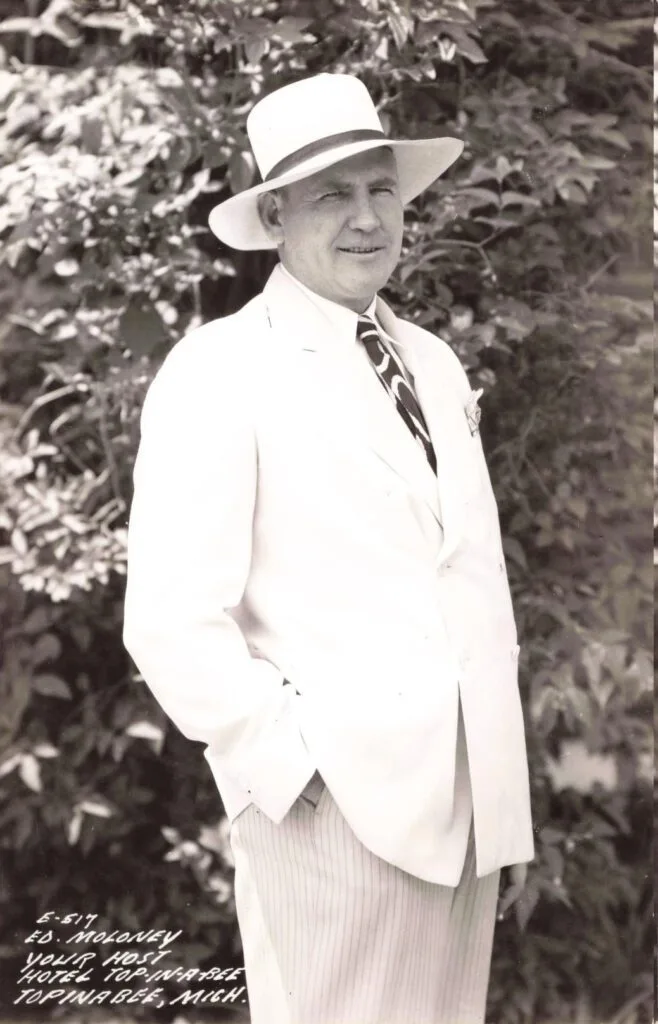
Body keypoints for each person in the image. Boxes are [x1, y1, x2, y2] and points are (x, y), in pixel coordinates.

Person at [122, 72, 534, 1024]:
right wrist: (293, 773)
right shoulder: (222, 368)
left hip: (468, 811)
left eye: (380, 188)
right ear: (274, 215)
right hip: (330, 808)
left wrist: (503, 807)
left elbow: (469, 583)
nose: (366, 217)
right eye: (332, 195)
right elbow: (171, 619)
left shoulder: (428, 358)